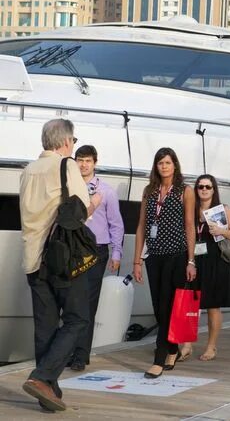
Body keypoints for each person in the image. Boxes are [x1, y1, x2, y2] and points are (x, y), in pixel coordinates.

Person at [19, 119, 96, 411]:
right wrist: (95, 204)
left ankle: (48, 391)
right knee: (78, 319)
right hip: (61, 257)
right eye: (73, 141)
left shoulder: (27, 171)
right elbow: (81, 210)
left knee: (45, 326)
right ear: (65, 142)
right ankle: (41, 378)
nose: (73, 146)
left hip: (32, 258)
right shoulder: (67, 166)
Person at [133, 147, 196, 379]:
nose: (164, 166)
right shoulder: (149, 191)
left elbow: (189, 226)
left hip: (177, 255)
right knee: (158, 307)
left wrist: (191, 260)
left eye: (168, 162)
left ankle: (159, 358)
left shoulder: (184, 191)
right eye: (160, 163)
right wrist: (137, 261)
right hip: (154, 256)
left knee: (168, 306)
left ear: (175, 165)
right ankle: (172, 349)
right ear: (156, 166)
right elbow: (141, 226)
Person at [68, 145, 124, 372]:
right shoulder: (70, 188)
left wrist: (117, 252)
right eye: (80, 160)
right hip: (72, 250)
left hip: (97, 250)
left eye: (88, 161)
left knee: (88, 304)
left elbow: (116, 224)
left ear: (95, 162)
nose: (83, 165)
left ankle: (81, 355)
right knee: (71, 302)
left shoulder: (107, 191)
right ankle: (68, 351)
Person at [181, 174, 230, 362]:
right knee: (189, 303)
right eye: (200, 187)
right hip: (195, 260)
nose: (204, 190)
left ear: (214, 189)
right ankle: (187, 345)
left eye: (208, 186)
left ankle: (211, 347)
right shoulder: (191, 209)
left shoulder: (223, 210)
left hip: (216, 260)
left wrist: (221, 230)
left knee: (213, 306)